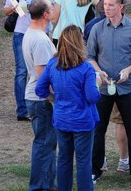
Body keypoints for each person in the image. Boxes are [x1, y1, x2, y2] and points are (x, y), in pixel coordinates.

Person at [87, 0, 131, 186]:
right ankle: (95, 170)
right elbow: (90, 57)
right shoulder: (97, 29)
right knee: (98, 130)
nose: (106, 8)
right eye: (105, 5)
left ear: (121, 7)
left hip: (126, 88)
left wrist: (128, 70)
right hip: (104, 89)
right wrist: (99, 72)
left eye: (111, 5)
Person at [35, 25, 101, 191]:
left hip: (62, 119)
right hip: (82, 121)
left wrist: (54, 98)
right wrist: (97, 84)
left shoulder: (53, 64)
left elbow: (40, 89)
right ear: (79, 43)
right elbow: (92, 97)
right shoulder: (86, 68)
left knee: (63, 159)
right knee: (83, 161)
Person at [4, 0, 48, 121]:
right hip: (21, 33)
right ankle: (22, 110)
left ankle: (40, 103)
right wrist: (18, 7)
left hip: (41, 34)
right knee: (22, 71)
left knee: (39, 70)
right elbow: (6, 10)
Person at [23, 0, 57, 191]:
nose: (54, 11)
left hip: (35, 97)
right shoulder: (41, 41)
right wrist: (54, 99)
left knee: (47, 144)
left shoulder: (31, 33)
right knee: (44, 145)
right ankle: (39, 187)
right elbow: (43, 77)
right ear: (45, 14)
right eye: (51, 8)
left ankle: (49, 185)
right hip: (41, 100)